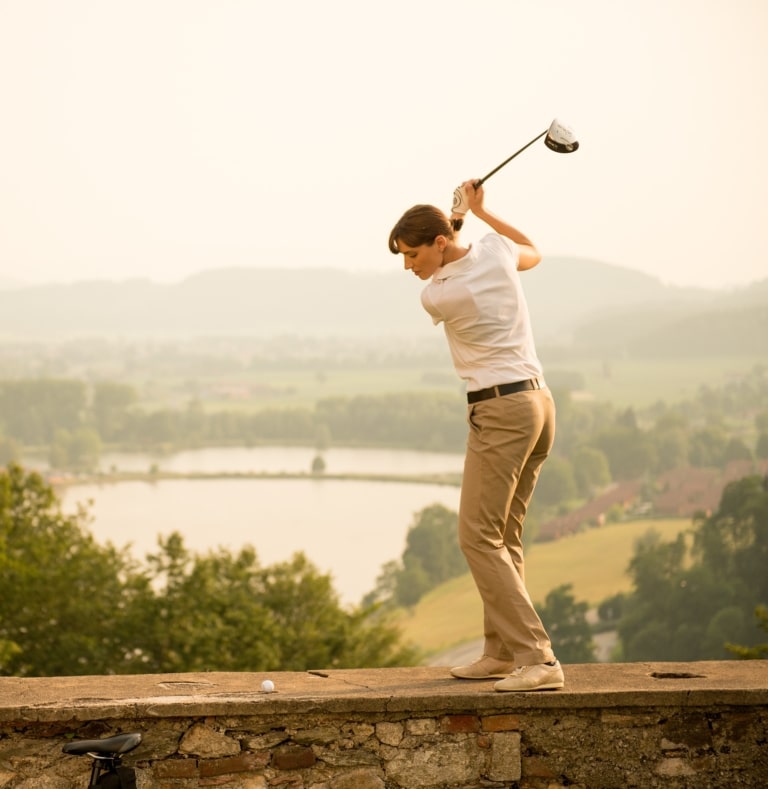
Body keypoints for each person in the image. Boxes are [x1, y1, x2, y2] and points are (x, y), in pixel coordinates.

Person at [387, 180, 563, 692]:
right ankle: (501, 652)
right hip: (539, 404)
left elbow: (451, 263)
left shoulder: (439, 293)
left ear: (438, 244)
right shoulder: (496, 251)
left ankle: (538, 658)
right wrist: (481, 213)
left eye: (412, 253)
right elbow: (532, 252)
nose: (408, 267)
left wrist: (461, 217)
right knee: (503, 537)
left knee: (476, 537)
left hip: (501, 410)